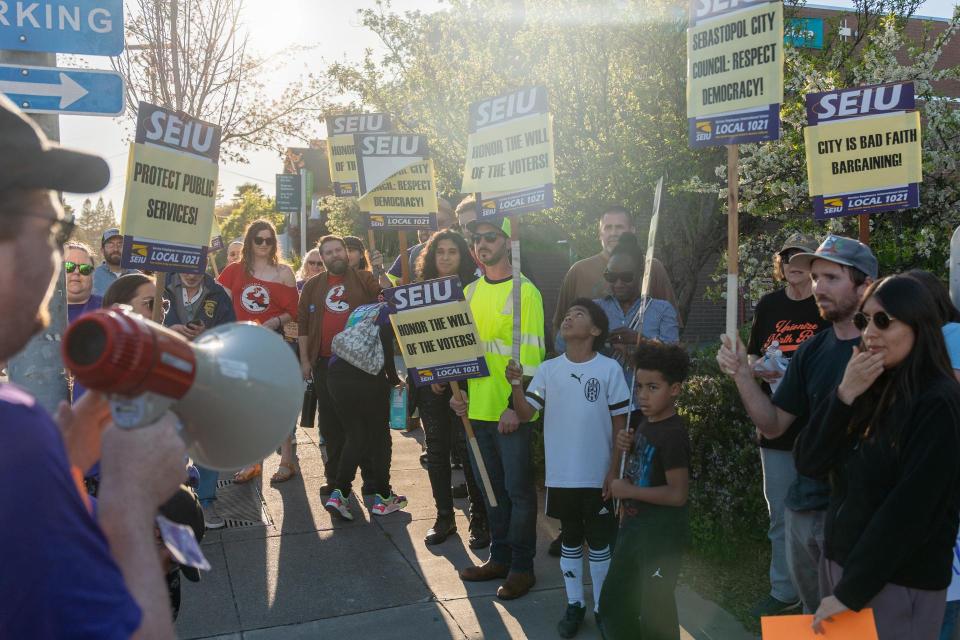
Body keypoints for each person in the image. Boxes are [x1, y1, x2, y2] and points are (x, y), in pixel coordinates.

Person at [0, 93, 187, 638]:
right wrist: (130, 501)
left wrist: (69, 460)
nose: (61, 262)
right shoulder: (16, 433)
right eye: (56, 232)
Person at [717, 234, 877, 614]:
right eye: (817, 277)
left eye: (831, 278)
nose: (819, 287)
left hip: (862, 515)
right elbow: (773, 425)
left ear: (865, 285)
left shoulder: (888, 346)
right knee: (816, 617)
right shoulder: (811, 351)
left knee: (861, 618)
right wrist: (743, 374)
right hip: (808, 504)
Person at [794, 275, 960, 639]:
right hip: (844, 565)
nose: (869, 332)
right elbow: (809, 462)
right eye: (863, 320)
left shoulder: (940, 401)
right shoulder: (870, 385)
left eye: (883, 320)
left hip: (896, 581)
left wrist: (851, 592)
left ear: (918, 327)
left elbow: (911, 508)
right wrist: (843, 396)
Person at [509, 298, 630, 637]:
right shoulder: (549, 369)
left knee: (601, 542)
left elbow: (621, 423)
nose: (568, 318)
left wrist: (613, 471)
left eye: (578, 315)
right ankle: (575, 604)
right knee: (571, 540)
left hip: (599, 476)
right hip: (562, 476)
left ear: (594, 330)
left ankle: (602, 606)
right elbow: (524, 413)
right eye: (566, 314)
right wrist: (516, 385)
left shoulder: (609, 369)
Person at [450, 214, 546, 601]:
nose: (483, 244)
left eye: (491, 237)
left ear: (507, 242)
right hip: (475, 412)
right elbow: (459, 352)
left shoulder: (527, 292)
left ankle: (523, 568)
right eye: (477, 239)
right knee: (492, 492)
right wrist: (456, 392)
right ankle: (499, 558)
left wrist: (514, 406)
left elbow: (535, 358)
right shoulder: (470, 293)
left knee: (519, 493)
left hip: (510, 415)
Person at [744, 233, 828, 617]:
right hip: (775, 422)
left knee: (823, 515)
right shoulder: (769, 305)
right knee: (779, 513)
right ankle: (783, 591)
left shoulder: (825, 306)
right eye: (786, 255)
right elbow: (751, 357)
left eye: (802, 255)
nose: (793, 261)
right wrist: (760, 371)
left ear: (814, 264)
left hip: (818, 425)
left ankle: (825, 594)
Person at [599, 341, 691, 640]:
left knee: (656, 611)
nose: (642, 395)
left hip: (660, 538)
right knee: (614, 602)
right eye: (639, 387)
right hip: (633, 530)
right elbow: (635, 471)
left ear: (674, 389)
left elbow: (677, 495)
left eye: (653, 387)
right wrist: (623, 448)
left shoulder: (674, 434)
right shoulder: (641, 423)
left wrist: (629, 491)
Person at [413, 230, 489, 548]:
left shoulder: (474, 290)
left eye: (452, 251)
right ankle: (445, 517)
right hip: (432, 386)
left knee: (469, 448)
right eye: (439, 251)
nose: (445, 257)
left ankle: (479, 519)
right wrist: (432, 376)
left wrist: (458, 372)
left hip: (469, 381)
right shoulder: (418, 293)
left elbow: (479, 337)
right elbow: (413, 338)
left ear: (463, 256)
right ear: (431, 256)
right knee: (437, 450)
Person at [298, 235, 384, 497]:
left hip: (361, 364)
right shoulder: (312, 286)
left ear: (347, 253)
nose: (335, 255)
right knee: (331, 426)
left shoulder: (365, 279)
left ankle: (370, 480)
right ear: (322, 258)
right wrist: (305, 360)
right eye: (329, 252)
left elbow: (385, 299)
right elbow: (302, 325)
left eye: (339, 250)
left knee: (365, 423)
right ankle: (334, 479)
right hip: (325, 364)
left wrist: (380, 271)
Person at [217, 220, 300, 483]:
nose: (264, 245)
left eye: (269, 240)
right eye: (259, 239)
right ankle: (253, 462)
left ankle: (287, 459)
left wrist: (274, 322)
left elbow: (294, 311)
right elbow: (221, 305)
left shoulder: (284, 272)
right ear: (250, 241)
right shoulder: (233, 271)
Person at [162, 270, 237, 529]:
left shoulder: (218, 294)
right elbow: (144, 325)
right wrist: (169, 329)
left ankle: (206, 502)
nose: (190, 275)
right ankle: (177, 503)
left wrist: (207, 334)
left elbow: (231, 334)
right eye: (185, 268)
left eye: (196, 269)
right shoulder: (160, 285)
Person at [323, 302, 408, 519]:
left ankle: (339, 494)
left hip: (336, 375)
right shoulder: (390, 310)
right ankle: (384, 497)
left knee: (355, 435)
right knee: (380, 438)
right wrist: (393, 378)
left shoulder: (360, 310)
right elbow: (385, 347)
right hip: (368, 377)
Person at [560, 232, 678, 363]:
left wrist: (641, 340)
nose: (618, 284)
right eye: (611, 277)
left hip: (640, 383)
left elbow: (675, 358)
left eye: (626, 277)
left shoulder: (662, 310)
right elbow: (561, 346)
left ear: (641, 273)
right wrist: (602, 343)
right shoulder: (593, 309)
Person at [553, 205, 635, 337]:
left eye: (619, 227)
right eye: (608, 228)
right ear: (600, 234)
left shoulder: (651, 268)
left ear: (631, 231)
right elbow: (559, 324)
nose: (614, 233)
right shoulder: (579, 271)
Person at [387, 198, 457, 282]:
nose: (426, 230)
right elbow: (387, 288)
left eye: (440, 223)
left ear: (452, 223)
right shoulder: (411, 254)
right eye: (425, 223)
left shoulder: (465, 251)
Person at [92, 227, 140, 297]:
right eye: (110, 245)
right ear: (102, 250)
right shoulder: (92, 277)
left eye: (120, 244)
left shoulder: (138, 277)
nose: (116, 249)